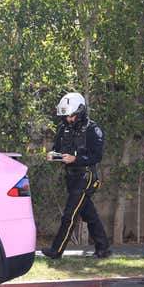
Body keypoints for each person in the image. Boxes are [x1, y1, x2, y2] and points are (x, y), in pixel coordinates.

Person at [41, 92, 111, 259]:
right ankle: (103, 248)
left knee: (70, 215)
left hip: (86, 177)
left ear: (80, 112)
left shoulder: (93, 130)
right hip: (71, 178)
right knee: (89, 214)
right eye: (66, 116)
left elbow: (96, 156)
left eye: (71, 116)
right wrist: (54, 155)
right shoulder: (64, 129)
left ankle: (56, 251)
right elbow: (57, 147)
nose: (68, 119)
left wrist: (76, 159)